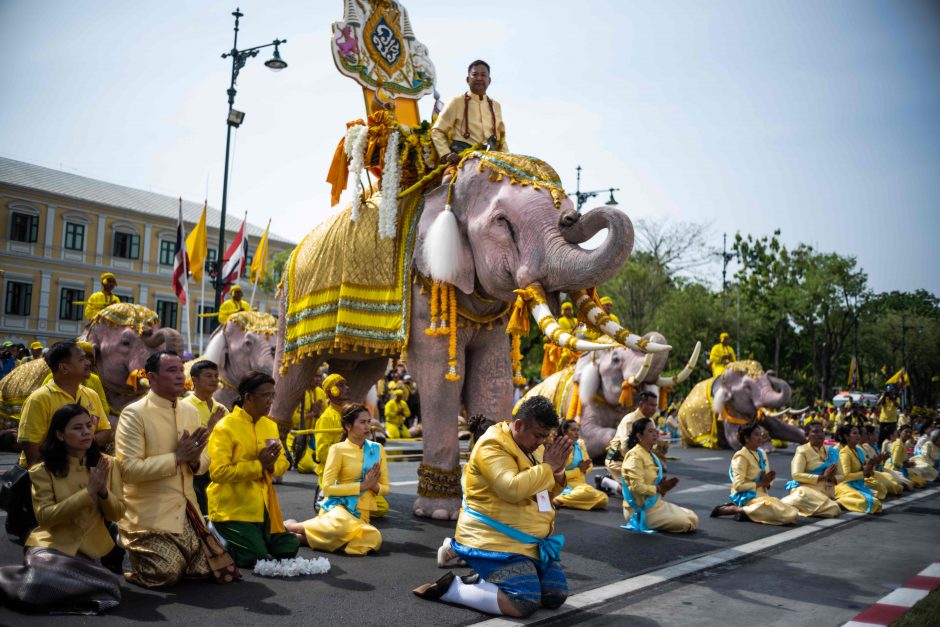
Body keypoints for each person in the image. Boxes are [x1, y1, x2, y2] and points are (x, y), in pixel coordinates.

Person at [415, 396, 572, 618]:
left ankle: (481, 578)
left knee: (555, 595)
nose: (541, 442)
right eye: (538, 435)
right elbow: (511, 488)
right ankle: (452, 588)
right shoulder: (492, 445)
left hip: (528, 543)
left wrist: (556, 471)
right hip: (495, 541)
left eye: (545, 437)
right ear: (518, 425)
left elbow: (543, 493)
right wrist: (549, 468)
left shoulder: (534, 448)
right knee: (523, 602)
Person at [0, 404, 124, 614]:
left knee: (109, 585)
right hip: (49, 547)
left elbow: (117, 513)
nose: (86, 432)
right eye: (77, 428)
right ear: (60, 434)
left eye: (88, 426)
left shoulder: (108, 465)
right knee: (40, 579)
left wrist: (102, 491)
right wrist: (88, 493)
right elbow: (45, 517)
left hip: (86, 552)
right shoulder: (42, 470)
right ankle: (9, 578)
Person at [115, 350, 213, 588]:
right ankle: (128, 554)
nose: (180, 375)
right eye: (172, 370)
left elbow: (204, 460)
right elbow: (128, 470)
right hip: (149, 514)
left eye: (181, 370)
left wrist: (195, 460)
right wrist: (176, 458)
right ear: (152, 377)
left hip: (186, 510)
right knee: (166, 573)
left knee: (205, 570)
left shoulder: (189, 410)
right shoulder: (134, 413)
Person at [207, 372, 299, 568]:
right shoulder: (225, 427)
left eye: (272, 395)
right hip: (233, 508)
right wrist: (259, 465)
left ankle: (257, 538)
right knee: (255, 559)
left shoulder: (270, 426)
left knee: (288, 548)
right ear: (248, 397)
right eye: (265, 395)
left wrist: (272, 464)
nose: (270, 401)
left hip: (264, 506)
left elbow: (283, 463)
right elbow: (218, 472)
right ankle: (217, 532)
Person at [284, 403, 389, 555]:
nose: (367, 427)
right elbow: (327, 488)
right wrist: (363, 485)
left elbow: (386, 488)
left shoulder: (376, 449)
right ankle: (297, 527)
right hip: (339, 508)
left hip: (362, 514)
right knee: (342, 527)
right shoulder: (337, 449)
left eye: (368, 422)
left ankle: (303, 537)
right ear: (348, 426)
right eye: (362, 422)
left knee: (373, 538)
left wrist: (374, 487)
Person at [18, 341, 112, 469]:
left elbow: (105, 431)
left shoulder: (91, 395)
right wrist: (42, 477)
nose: (89, 363)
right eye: (82, 359)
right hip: (51, 471)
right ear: (64, 368)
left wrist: (81, 444)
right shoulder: (39, 399)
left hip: (83, 468)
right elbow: (30, 444)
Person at [711, 423, 798, 525]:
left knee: (791, 513)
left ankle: (747, 512)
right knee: (780, 514)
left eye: (761, 434)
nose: (760, 437)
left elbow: (766, 481)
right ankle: (734, 509)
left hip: (762, 495)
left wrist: (768, 480)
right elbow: (738, 485)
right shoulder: (740, 456)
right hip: (746, 496)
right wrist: (760, 483)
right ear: (747, 438)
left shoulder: (762, 453)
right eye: (756, 435)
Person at [621, 418, 697, 532]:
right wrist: (658, 488)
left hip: (656, 504)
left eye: (655, 430)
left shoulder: (651, 455)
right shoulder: (634, 457)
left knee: (693, 517)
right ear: (639, 435)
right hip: (641, 509)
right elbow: (636, 488)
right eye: (650, 431)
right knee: (686, 524)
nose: (655, 434)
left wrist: (663, 488)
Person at [430, 59, 507, 165]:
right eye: (475, 75)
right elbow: (437, 130)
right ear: (467, 79)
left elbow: (500, 139)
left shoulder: (496, 106)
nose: (479, 78)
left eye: (483, 75)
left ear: (489, 80)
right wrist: (446, 154)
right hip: (462, 158)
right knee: (448, 179)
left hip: (492, 158)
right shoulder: (456, 102)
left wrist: (508, 158)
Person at [181, 360, 229, 513]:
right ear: (194, 380)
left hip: (219, 470)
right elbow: (185, 441)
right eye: (208, 376)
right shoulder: (185, 407)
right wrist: (211, 427)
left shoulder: (221, 408)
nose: (214, 380)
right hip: (195, 471)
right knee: (201, 515)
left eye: (216, 376)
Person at [602, 391, 661, 496]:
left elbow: (651, 444)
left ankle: (615, 479)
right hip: (618, 460)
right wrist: (637, 465)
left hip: (636, 459)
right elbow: (625, 447)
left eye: (655, 405)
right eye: (651, 405)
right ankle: (605, 481)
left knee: (647, 486)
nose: (654, 408)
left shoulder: (650, 421)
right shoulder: (629, 420)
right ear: (641, 404)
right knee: (634, 492)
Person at [779, 421, 841, 518]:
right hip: (806, 490)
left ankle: (800, 507)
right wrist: (823, 477)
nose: (820, 434)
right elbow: (796, 475)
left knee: (833, 508)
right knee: (833, 509)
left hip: (826, 491)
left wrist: (831, 478)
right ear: (807, 435)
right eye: (815, 432)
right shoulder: (802, 450)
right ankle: (784, 506)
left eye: (822, 431)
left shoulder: (832, 451)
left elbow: (842, 475)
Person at [552, 420, 608, 510]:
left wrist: (584, 468)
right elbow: (556, 475)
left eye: (578, 430)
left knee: (603, 499)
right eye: (573, 430)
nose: (576, 433)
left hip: (579, 483)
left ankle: (562, 501)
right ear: (564, 432)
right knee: (588, 492)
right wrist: (579, 470)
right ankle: (558, 499)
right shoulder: (559, 447)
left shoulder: (580, 445)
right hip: (563, 484)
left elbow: (589, 466)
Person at [833, 425, 883, 513]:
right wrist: (863, 472)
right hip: (845, 485)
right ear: (846, 437)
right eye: (854, 433)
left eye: (859, 433)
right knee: (871, 503)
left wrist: (872, 466)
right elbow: (846, 476)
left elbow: (865, 469)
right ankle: (840, 501)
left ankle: (846, 500)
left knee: (878, 494)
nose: (858, 435)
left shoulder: (859, 450)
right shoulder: (844, 452)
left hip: (858, 484)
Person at [886, 424, 927, 488]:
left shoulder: (902, 443)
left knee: (921, 480)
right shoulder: (899, 444)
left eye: (910, 433)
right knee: (919, 482)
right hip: (894, 469)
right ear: (900, 432)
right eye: (906, 432)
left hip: (899, 467)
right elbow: (895, 462)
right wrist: (905, 465)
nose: (908, 434)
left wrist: (908, 463)